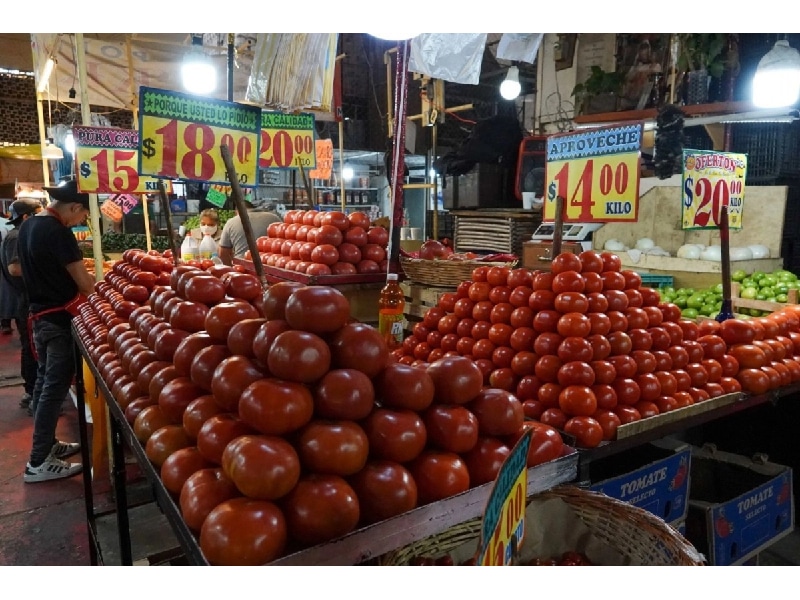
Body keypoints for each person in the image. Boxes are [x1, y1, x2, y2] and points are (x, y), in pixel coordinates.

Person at [18, 179, 95, 483]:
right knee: (55, 387)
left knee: (42, 384)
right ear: (75, 207)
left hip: (38, 315)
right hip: (58, 320)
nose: (81, 223)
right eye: (83, 217)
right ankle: (38, 462)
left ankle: (47, 445)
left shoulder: (29, 226)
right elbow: (85, 284)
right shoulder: (59, 232)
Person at [0, 198, 42, 411]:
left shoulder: (17, 235)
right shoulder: (17, 237)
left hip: (23, 299)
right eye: (37, 213)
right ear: (26, 217)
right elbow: (15, 268)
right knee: (32, 348)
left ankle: (32, 391)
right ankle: (33, 392)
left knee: (31, 347)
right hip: (24, 301)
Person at [218, 198, 280, 265]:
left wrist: (230, 268)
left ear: (237, 211)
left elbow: (223, 252)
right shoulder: (274, 218)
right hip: (270, 265)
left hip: (242, 267)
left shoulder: (232, 222)